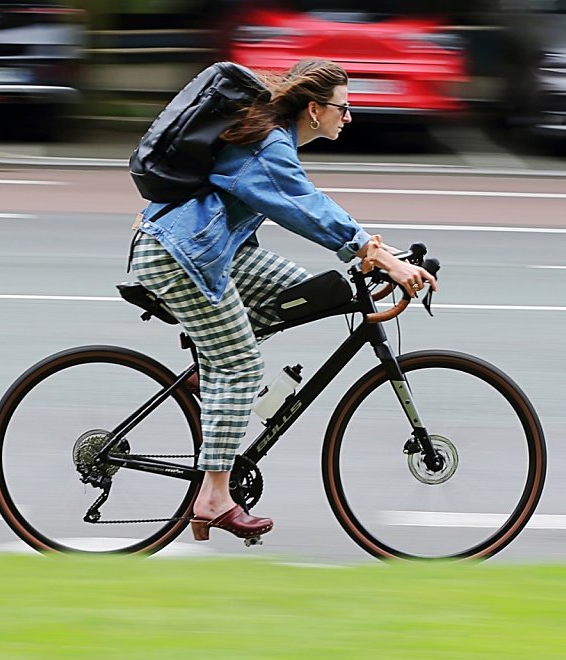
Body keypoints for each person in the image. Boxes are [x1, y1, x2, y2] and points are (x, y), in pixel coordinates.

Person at [128, 58, 438, 542]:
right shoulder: (269, 145)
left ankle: (210, 366)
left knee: (311, 293)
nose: (349, 117)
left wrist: (380, 256)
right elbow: (304, 206)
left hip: (213, 251)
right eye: (344, 106)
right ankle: (213, 497)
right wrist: (376, 255)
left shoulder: (272, 139)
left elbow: (310, 208)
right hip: (179, 257)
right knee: (241, 367)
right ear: (314, 109)